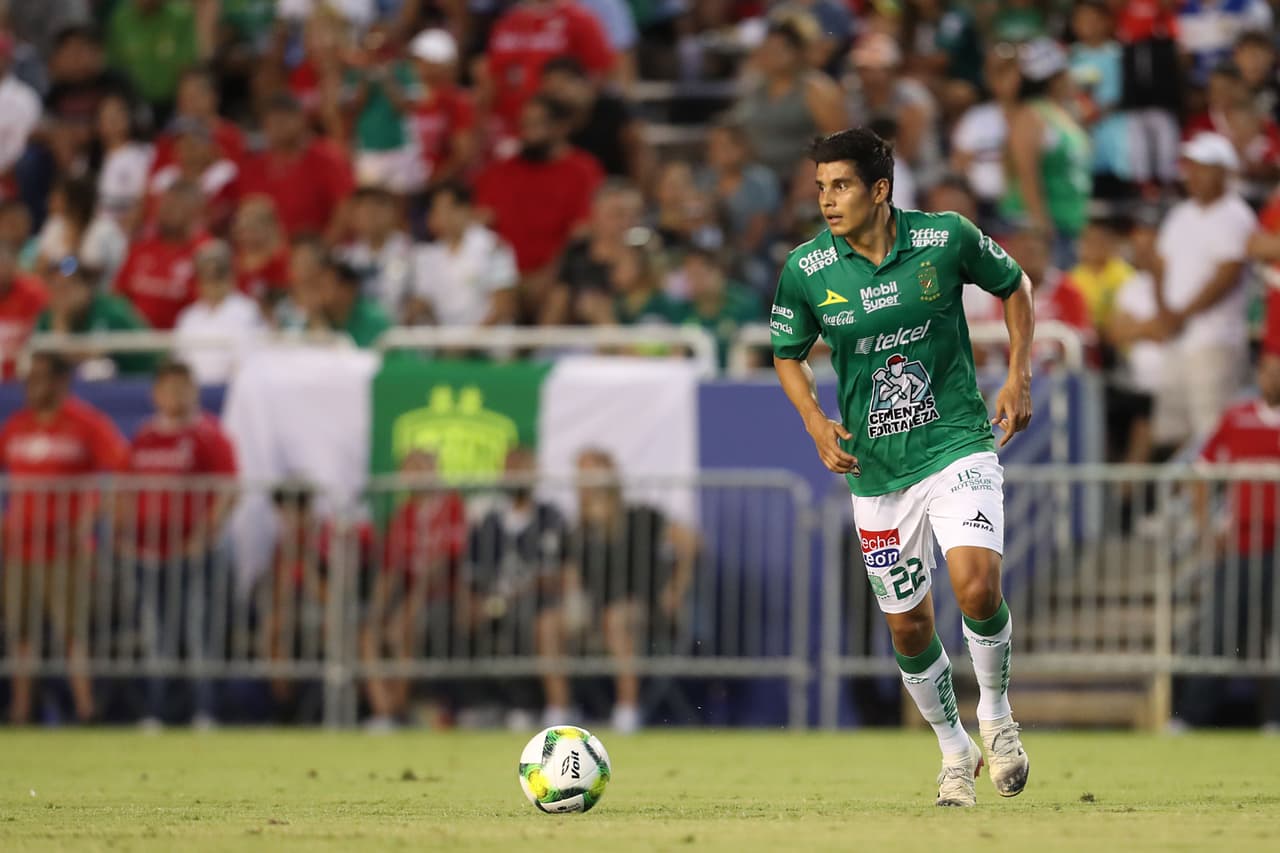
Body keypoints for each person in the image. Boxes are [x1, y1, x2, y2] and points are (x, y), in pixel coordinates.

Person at [770, 128, 1033, 806]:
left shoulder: (945, 238)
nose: (827, 199)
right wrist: (814, 420)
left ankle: (997, 716)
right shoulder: (807, 268)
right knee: (908, 625)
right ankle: (954, 749)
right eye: (822, 186)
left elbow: (1015, 284)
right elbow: (786, 351)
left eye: (842, 185)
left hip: (956, 443)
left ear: (879, 190)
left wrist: (1018, 375)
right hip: (877, 471)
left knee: (976, 585)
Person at [0, 351, 128, 724]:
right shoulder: (17, 426)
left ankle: (86, 709)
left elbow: (121, 468)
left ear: (61, 381)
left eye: (41, 377)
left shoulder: (86, 423)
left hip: (67, 547)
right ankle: (21, 711)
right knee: (21, 632)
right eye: (30, 378)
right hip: (20, 546)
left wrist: (92, 515)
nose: (32, 386)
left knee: (73, 632)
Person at [124, 360, 237, 728]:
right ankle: (158, 711)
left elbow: (228, 489)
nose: (176, 395)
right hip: (150, 554)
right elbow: (125, 490)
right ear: (155, 393)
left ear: (195, 391)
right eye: (169, 388)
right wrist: (126, 534)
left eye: (183, 387)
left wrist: (204, 536)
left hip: (195, 554)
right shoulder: (144, 435)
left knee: (198, 631)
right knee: (157, 636)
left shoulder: (209, 434)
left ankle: (204, 710)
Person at [556, 448, 698, 733]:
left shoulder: (640, 516)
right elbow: (570, 580)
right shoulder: (577, 531)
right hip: (595, 613)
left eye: (593, 472)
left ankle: (628, 709)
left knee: (618, 618)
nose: (586, 481)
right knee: (550, 624)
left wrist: (676, 588)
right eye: (582, 474)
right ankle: (559, 709)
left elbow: (690, 542)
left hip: (643, 610)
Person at [1177, 351, 1280, 729]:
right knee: (1219, 630)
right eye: (1270, 370)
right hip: (1241, 543)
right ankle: (1190, 717)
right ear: (1260, 374)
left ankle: (1274, 720)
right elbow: (1201, 472)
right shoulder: (1238, 418)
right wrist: (1207, 529)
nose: (1275, 378)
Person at [1152, 132, 1257, 456]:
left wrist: (1179, 315)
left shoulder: (1236, 215)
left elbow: (1227, 276)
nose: (1193, 175)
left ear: (1225, 172)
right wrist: (1164, 314)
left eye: (1202, 167)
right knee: (1172, 432)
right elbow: (1159, 266)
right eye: (1190, 167)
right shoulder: (1180, 213)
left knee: (1209, 433)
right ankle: (1179, 503)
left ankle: (1206, 506)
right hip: (1177, 339)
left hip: (1215, 340)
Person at [361, 450, 466, 730]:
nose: (414, 476)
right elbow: (390, 569)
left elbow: (446, 561)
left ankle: (398, 710)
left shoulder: (452, 506)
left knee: (400, 630)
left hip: (446, 595)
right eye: (408, 470)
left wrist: (411, 604)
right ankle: (383, 712)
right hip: (410, 597)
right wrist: (376, 609)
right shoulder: (403, 514)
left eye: (420, 467)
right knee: (369, 633)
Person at [474, 94, 604, 318]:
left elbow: (582, 232)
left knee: (561, 291)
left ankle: (539, 351)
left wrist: (551, 274)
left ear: (561, 127)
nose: (528, 132)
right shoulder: (501, 171)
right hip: (503, 279)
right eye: (525, 124)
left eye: (538, 124)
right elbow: (481, 223)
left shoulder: (582, 170)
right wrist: (503, 277)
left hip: (555, 277)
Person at [466, 448, 570, 719]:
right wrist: (475, 602)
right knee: (456, 619)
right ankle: (472, 704)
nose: (514, 476)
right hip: (493, 602)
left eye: (521, 468)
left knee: (530, 621)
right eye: (509, 469)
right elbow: (474, 573)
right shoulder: (489, 521)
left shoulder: (551, 517)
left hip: (536, 603)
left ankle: (534, 705)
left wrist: (509, 598)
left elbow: (556, 573)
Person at [1001, 38, 1092, 269]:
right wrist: (1040, 223)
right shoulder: (1031, 115)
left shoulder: (1061, 112)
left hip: (1068, 222)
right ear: (1053, 79)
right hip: (1044, 228)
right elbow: (1026, 172)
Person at [731, 15, 847, 184]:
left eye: (777, 50)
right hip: (756, 177)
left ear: (798, 52)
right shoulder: (754, 87)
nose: (769, 56)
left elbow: (837, 141)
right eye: (767, 49)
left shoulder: (816, 89)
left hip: (800, 181)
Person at [240, 92, 354, 240]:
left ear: (301, 120)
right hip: (275, 254)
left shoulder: (327, 158)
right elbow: (248, 213)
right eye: (270, 123)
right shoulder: (254, 167)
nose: (276, 128)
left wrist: (323, 249)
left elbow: (346, 206)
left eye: (282, 121)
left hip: (323, 251)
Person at [407, 181, 517, 327]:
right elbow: (424, 302)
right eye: (436, 210)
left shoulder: (492, 247)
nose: (439, 216)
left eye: (445, 209)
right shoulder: (428, 255)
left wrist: (469, 342)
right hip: (447, 343)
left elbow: (504, 307)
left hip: (487, 344)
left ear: (464, 210)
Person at [113, 179, 208, 329]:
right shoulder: (141, 247)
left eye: (175, 205)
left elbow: (208, 307)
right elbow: (118, 296)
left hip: (182, 342)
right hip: (134, 342)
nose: (166, 211)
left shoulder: (205, 252)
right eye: (164, 204)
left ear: (194, 211)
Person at [34, 255, 152, 376]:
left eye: (67, 287)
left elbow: (88, 355)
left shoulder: (112, 311)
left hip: (135, 381)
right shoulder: (47, 316)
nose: (61, 296)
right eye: (55, 288)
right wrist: (60, 319)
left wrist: (61, 320)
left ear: (86, 287)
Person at [174, 240, 263, 385]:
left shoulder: (247, 311)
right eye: (205, 277)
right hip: (194, 395)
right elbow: (180, 361)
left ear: (230, 276)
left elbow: (251, 363)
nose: (211, 284)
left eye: (217, 276)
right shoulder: (189, 316)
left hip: (233, 390)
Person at [340, 186, 414, 320]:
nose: (370, 218)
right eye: (364, 212)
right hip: (360, 329)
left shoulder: (410, 251)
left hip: (398, 328)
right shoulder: (346, 257)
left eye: (375, 211)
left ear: (392, 213)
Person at [316, 256, 392, 348]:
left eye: (327, 286)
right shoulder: (317, 318)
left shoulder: (375, 320)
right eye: (319, 285)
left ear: (349, 289)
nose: (321, 292)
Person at [0, 238, 47, 379]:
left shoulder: (33, 291)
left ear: (14, 265)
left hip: (25, 371)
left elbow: (44, 328)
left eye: (4, 263)